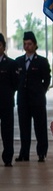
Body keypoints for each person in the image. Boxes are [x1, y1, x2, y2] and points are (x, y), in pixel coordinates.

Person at [15, 31, 51, 162]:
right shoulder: (18, 61)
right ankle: (24, 153)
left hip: (37, 100)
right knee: (24, 127)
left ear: (35, 45)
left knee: (40, 127)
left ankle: (41, 153)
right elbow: (15, 79)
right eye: (25, 44)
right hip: (23, 100)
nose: (27, 46)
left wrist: (41, 91)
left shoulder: (41, 61)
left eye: (29, 44)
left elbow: (47, 79)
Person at [0, 34, 17, 166]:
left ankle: (7, 158)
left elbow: (15, 83)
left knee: (7, 131)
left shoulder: (11, 64)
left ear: (4, 47)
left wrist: (8, 93)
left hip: (6, 103)